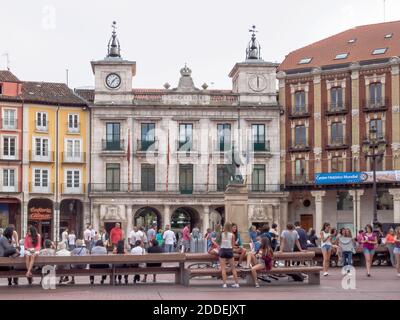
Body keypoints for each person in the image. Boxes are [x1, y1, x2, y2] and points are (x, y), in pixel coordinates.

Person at [218, 222, 239, 288]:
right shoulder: (232, 235)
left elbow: (218, 243)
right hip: (229, 250)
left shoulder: (221, 234)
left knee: (223, 268)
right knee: (233, 268)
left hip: (222, 250)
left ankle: (224, 284)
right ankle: (236, 283)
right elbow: (233, 245)